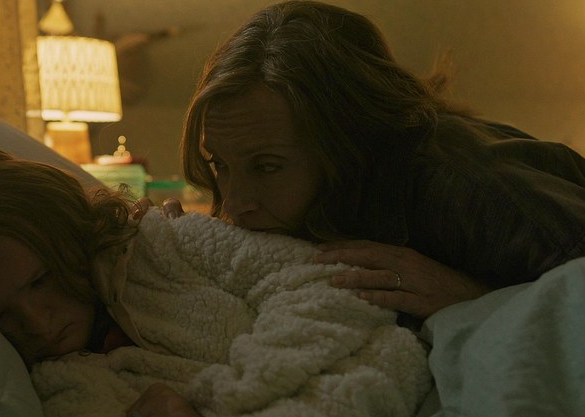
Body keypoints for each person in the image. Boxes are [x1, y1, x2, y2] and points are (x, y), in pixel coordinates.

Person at [0, 142, 431, 417]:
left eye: (40, 280)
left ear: (63, 235)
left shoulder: (168, 243)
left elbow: (328, 282)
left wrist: (234, 391)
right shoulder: (62, 385)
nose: (37, 324)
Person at [176, 0, 585, 322]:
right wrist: (174, 252)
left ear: (347, 143)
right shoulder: (297, 202)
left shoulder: (464, 186)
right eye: (220, 165)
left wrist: (474, 297)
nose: (234, 203)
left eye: (267, 166)